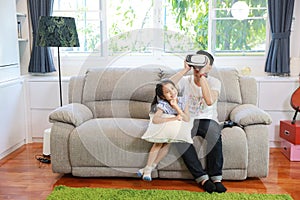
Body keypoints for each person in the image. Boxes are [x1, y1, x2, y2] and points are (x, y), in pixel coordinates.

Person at [170, 51, 227, 193]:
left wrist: (202, 75)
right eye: (197, 64)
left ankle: (216, 178)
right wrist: (185, 70)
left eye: (203, 64)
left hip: (208, 120)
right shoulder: (185, 80)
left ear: (210, 67)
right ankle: (203, 178)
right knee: (179, 135)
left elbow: (209, 100)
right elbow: (165, 87)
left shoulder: (214, 82)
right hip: (189, 119)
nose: (198, 67)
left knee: (214, 132)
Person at [138, 79, 191, 181]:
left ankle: (148, 169)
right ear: (163, 97)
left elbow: (187, 118)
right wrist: (174, 118)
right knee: (158, 143)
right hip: (166, 126)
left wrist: (176, 106)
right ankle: (148, 170)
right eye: (167, 92)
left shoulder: (184, 101)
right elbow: (156, 119)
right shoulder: (163, 104)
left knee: (166, 144)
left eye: (172, 88)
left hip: (173, 129)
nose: (172, 92)